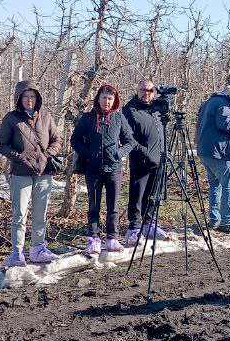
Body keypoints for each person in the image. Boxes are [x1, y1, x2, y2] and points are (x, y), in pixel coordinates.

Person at [0, 80, 62, 267]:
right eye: (25, 96)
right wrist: (20, 157)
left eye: (32, 96)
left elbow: (57, 139)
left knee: (40, 213)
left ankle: (38, 249)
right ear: (19, 98)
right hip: (21, 172)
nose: (29, 100)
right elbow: (1, 145)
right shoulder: (11, 118)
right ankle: (17, 252)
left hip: (43, 173)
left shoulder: (46, 116)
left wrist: (47, 155)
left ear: (37, 98)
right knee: (20, 214)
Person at [72, 83, 136, 255]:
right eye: (103, 98)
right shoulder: (87, 118)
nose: (106, 102)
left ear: (114, 100)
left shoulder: (119, 118)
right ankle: (93, 238)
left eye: (110, 99)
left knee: (113, 205)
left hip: (114, 169)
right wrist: (88, 154)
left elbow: (130, 141)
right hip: (93, 169)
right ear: (98, 99)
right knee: (94, 205)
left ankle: (112, 238)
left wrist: (119, 152)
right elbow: (75, 140)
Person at [122, 78, 170, 245]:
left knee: (153, 193)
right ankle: (134, 227)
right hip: (140, 159)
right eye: (143, 90)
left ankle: (149, 223)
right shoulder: (130, 110)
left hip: (159, 159)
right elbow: (127, 138)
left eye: (150, 91)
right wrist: (145, 153)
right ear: (137, 90)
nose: (146, 93)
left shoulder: (156, 110)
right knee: (137, 193)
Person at [196, 83, 230, 233]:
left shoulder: (209, 102)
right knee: (229, 185)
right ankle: (227, 221)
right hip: (220, 152)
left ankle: (215, 219)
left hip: (206, 151)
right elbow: (226, 124)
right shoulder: (224, 104)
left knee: (216, 185)